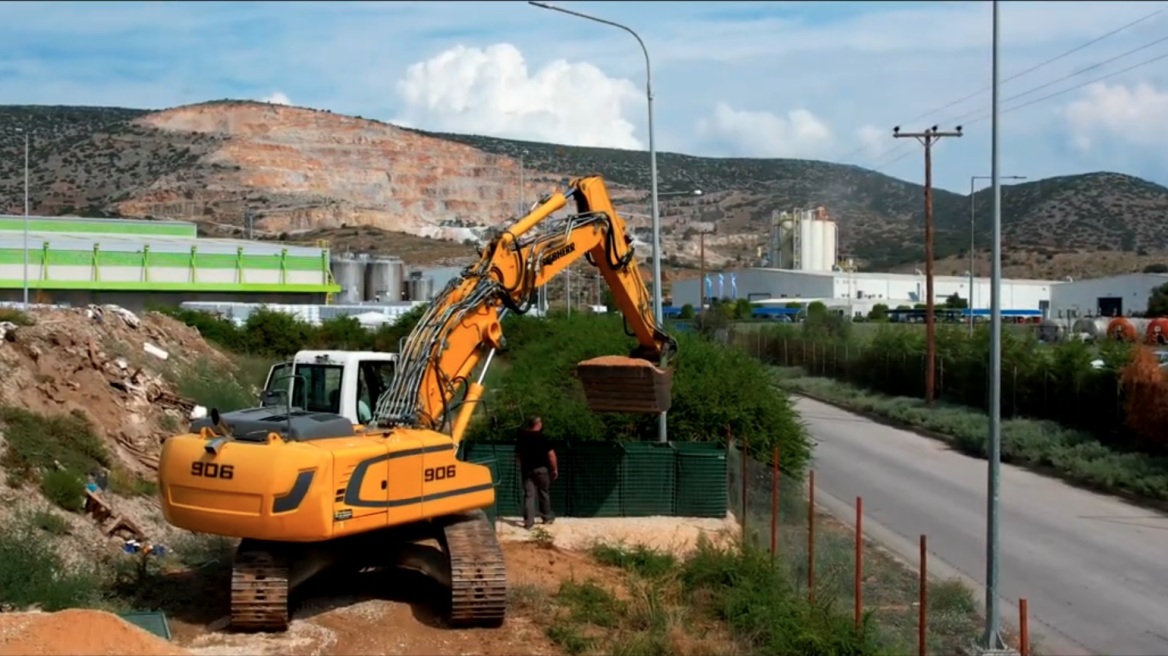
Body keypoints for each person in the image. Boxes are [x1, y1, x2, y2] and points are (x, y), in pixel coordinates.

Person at [515, 415, 557, 530]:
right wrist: (554, 469)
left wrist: (521, 465)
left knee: (529, 496)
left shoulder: (522, 437)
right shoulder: (543, 438)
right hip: (542, 469)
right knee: (544, 492)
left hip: (527, 470)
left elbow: (518, 455)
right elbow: (551, 455)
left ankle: (529, 522)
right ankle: (546, 517)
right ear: (538, 424)